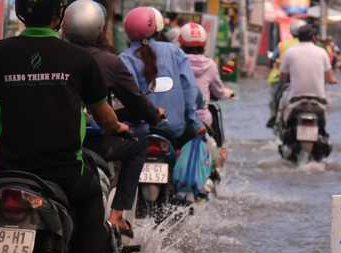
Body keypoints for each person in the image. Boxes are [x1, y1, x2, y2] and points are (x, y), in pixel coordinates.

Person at [0, 0, 129, 253]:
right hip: (62, 170)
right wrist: (116, 128)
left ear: (19, 12)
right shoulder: (80, 58)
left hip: (8, 169)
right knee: (91, 196)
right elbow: (104, 116)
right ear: (59, 15)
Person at [62, 0, 163, 238]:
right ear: (99, 31)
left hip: (53, 139)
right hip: (92, 140)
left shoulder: (52, 56)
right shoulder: (108, 61)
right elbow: (135, 100)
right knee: (138, 144)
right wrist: (154, 115)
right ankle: (116, 214)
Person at [119, 8, 205, 150]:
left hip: (137, 131)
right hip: (174, 129)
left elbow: (124, 96)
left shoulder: (123, 59)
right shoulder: (175, 51)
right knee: (200, 153)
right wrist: (195, 122)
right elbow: (189, 89)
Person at [179, 22, 232, 168]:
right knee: (213, 112)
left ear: (181, 44)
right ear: (203, 44)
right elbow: (220, 93)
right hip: (202, 122)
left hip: (177, 121)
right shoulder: (210, 65)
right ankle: (218, 157)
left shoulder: (176, 61)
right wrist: (228, 93)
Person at [279, 24, 337, 106]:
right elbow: (329, 79)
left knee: (283, 101)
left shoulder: (289, 52)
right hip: (318, 97)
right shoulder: (322, 52)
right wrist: (333, 80)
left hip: (295, 97)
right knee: (329, 101)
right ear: (314, 37)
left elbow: (282, 78)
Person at [266, 19, 307, 128]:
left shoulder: (283, 45)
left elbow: (271, 60)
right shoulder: (311, 47)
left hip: (279, 79)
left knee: (273, 99)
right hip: (303, 80)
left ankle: (273, 117)